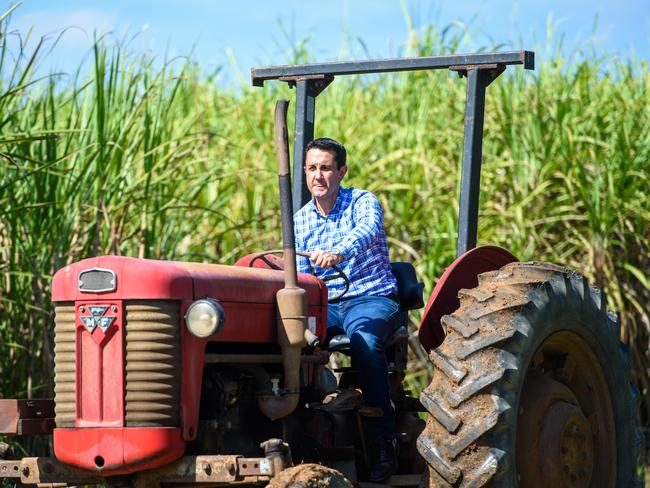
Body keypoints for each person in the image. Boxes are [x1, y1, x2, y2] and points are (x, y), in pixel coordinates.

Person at [293, 137, 405, 482]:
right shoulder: (299, 220)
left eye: (325, 168)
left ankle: (383, 442)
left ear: (341, 171)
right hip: (327, 303)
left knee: (364, 340)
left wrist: (338, 252)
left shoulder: (361, 202)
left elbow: (367, 231)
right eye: (312, 168)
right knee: (288, 339)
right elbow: (297, 269)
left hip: (370, 298)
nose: (318, 176)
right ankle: (296, 433)